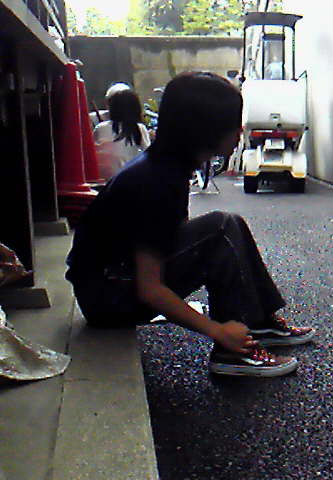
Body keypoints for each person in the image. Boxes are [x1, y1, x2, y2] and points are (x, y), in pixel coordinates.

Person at [66, 72, 316, 377]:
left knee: (228, 224)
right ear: (205, 131)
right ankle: (232, 352)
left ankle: (258, 323)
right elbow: (149, 289)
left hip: (110, 284)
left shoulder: (166, 165)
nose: (239, 131)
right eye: (232, 124)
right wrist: (216, 330)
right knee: (221, 230)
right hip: (107, 300)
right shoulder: (156, 182)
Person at [93, 89, 151, 179]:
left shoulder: (100, 128)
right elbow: (149, 156)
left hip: (102, 179)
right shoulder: (138, 128)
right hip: (127, 179)